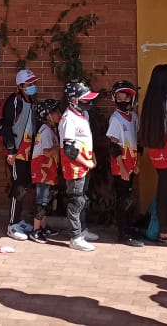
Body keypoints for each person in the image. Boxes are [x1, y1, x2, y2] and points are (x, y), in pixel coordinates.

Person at [139, 63, 167, 245]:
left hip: (156, 153)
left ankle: (166, 226)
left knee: (165, 188)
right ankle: (164, 233)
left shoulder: (150, 102)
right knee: (165, 192)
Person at [60, 80, 100, 252]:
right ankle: (75, 237)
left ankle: (82, 231)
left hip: (85, 165)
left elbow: (86, 140)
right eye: (85, 99)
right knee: (76, 201)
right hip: (75, 167)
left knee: (83, 198)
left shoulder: (83, 115)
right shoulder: (68, 119)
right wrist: (87, 162)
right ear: (74, 100)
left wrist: (93, 158)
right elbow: (68, 149)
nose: (89, 103)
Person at [2, 68, 40, 241]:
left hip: (28, 152)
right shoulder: (14, 102)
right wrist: (10, 150)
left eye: (33, 83)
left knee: (24, 186)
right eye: (29, 83)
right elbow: (7, 127)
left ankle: (19, 220)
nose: (32, 86)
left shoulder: (30, 101)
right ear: (20, 85)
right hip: (17, 152)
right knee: (19, 186)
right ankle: (12, 224)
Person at [107, 80, 144, 247]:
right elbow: (113, 146)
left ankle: (129, 227)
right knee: (124, 200)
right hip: (120, 167)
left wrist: (138, 163)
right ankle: (123, 233)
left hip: (131, 165)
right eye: (119, 98)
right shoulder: (115, 118)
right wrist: (121, 168)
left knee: (129, 198)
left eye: (125, 98)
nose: (123, 101)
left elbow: (139, 142)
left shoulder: (134, 117)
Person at [29, 99, 63, 244]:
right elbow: (47, 152)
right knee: (42, 201)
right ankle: (36, 230)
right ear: (47, 115)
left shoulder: (51, 130)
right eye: (55, 112)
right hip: (42, 170)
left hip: (49, 170)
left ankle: (43, 227)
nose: (59, 114)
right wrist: (63, 145)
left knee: (47, 199)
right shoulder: (46, 132)